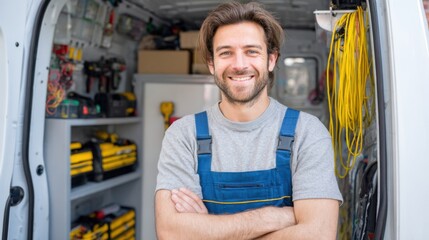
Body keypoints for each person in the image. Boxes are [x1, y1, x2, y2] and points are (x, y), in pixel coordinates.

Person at [155, 1, 343, 239]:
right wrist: (274, 218)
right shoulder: (183, 134)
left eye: (251, 51)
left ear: (271, 60)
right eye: (226, 53)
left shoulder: (307, 133)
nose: (239, 64)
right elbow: (171, 233)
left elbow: (318, 234)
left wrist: (207, 229)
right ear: (212, 63)